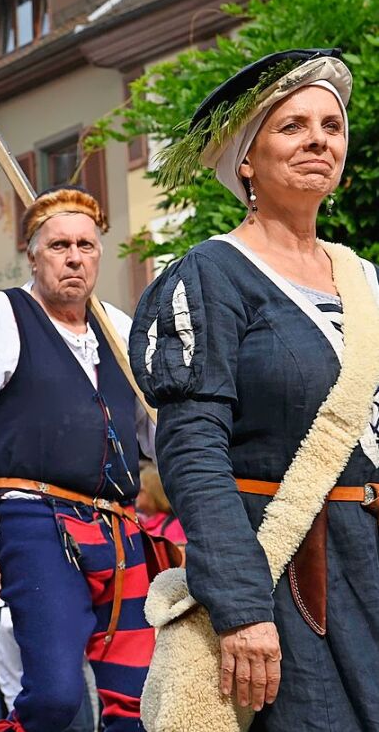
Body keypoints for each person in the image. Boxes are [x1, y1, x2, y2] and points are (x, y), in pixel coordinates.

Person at [130, 48, 379, 730]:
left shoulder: (367, 279)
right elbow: (191, 453)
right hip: (292, 577)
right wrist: (240, 606)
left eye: (330, 126)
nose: (317, 140)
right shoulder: (212, 275)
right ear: (245, 158)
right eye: (291, 125)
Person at [0, 186, 156, 732]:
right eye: (59, 244)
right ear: (32, 254)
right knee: (57, 696)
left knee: (137, 699)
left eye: (86, 244)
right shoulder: (0, 314)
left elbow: (149, 438)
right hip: (33, 519)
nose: (74, 256)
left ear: (99, 255)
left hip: (120, 527)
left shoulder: (119, 326)